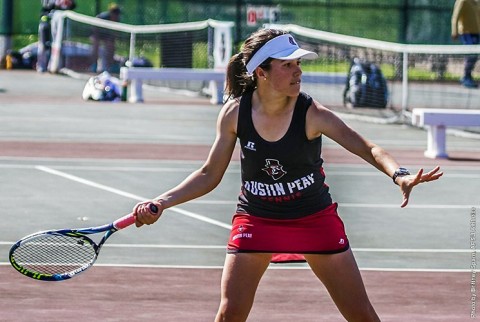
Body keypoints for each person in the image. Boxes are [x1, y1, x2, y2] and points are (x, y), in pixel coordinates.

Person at [133, 29, 443, 321]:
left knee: (361, 315)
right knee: (229, 314)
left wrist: (398, 174)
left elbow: (368, 148)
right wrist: (162, 202)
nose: (298, 71)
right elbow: (209, 173)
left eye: (298, 63)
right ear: (261, 72)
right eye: (287, 65)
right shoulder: (234, 114)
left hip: (313, 219)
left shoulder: (312, 113)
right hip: (257, 218)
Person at [451, 0, 480, 88]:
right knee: (471, 55)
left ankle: (468, 76)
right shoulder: (462, 1)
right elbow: (455, 17)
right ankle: (466, 77)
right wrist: (454, 31)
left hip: (477, 33)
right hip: (466, 33)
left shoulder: (477, 2)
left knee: (474, 56)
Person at [90, 3, 121, 73]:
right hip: (97, 34)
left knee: (111, 47)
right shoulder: (102, 17)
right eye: (114, 13)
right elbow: (94, 29)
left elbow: (116, 33)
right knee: (95, 46)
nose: (116, 15)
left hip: (107, 35)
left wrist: (112, 40)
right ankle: (94, 65)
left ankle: (109, 66)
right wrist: (96, 38)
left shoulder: (117, 19)